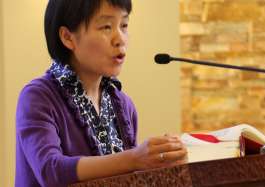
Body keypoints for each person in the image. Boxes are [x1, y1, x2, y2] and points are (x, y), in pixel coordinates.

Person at [15, 0, 187, 186]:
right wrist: (134, 158)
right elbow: (50, 170)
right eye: (106, 27)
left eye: (124, 25)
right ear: (67, 37)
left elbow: (129, 177)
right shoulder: (38, 97)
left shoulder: (123, 104)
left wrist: (159, 161)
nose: (120, 38)